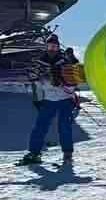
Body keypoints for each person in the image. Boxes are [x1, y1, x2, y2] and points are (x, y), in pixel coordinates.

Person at [18, 33, 78, 167]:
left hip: (65, 99)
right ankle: (34, 153)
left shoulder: (65, 61)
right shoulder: (39, 62)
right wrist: (39, 97)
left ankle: (67, 154)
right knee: (40, 126)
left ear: (58, 47)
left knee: (64, 126)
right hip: (48, 99)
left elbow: (73, 82)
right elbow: (35, 82)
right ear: (46, 47)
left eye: (54, 46)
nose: (52, 49)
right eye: (50, 46)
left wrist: (63, 81)